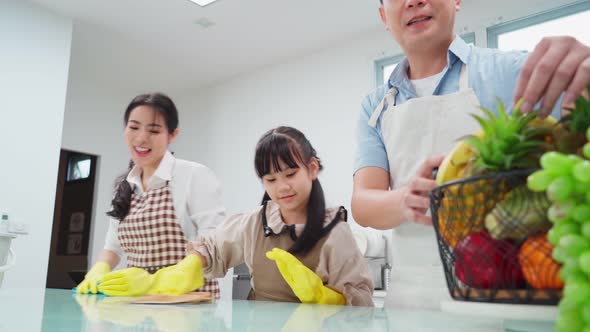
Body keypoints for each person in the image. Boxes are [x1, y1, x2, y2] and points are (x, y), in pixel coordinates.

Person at [352, 0, 590, 309]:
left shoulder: (514, 72)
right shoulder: (376, 106)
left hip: (502, 298)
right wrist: (405, 198)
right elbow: (363, 202)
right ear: (384, 16)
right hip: (410, 303)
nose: (413, 1)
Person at [98, 126, 374, 306]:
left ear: (312, 169)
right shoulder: (254, 223)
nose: (282, 187)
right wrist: (184, 270)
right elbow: (212, 246)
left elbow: (361, 301)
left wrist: (324, 297)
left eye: (291, 174)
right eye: (271, 179)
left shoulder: (335, 232)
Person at [76, 92, 226, 298]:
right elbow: (112, 246)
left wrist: (161, 279)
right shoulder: (124, 185)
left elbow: (214, 237)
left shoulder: (193, 174)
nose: (141, 138)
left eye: (154, 130)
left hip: (187, 302)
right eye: (134, 127)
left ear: (172, 135)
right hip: (135, 303)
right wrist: (99, 268)